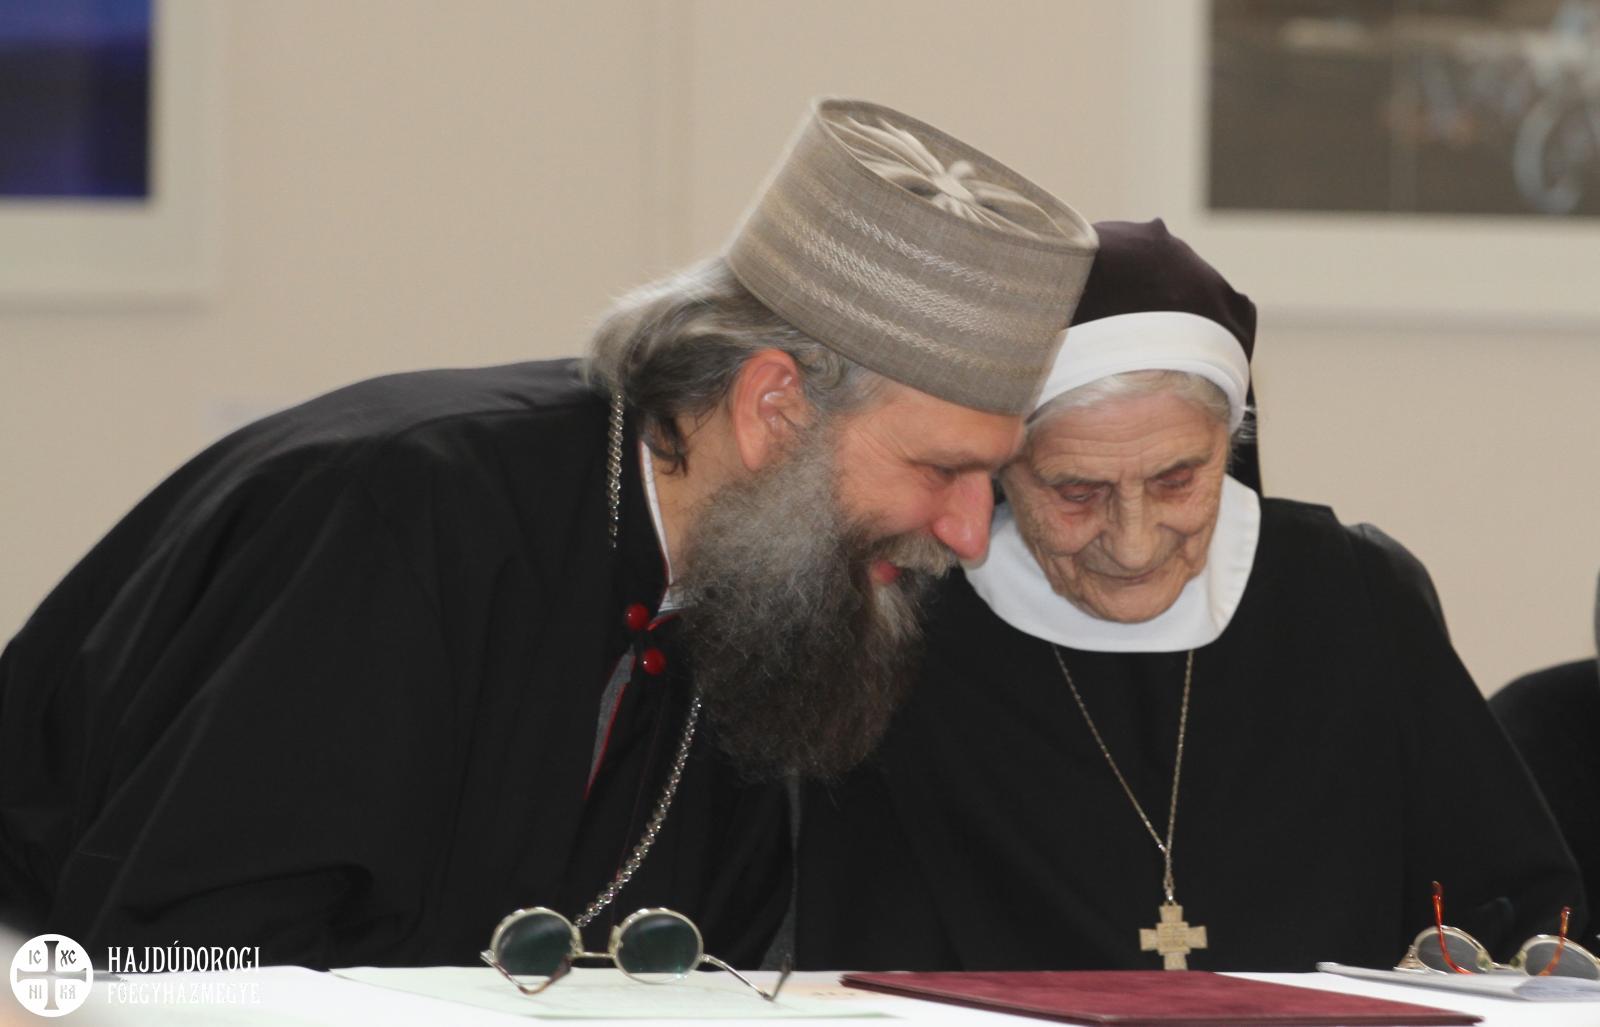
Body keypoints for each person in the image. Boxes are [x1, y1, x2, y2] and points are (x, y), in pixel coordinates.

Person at [0, 98, 1098, 970]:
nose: (968, 533)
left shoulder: (763, 585)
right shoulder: (406, 513)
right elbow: (188, 952)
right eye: (940, 470)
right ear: (773, 406)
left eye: (989, 479)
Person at [795, 219, 1584, 973]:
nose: (1134, 544)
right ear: (1001, 468)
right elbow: (845, 948)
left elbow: (1518, 920)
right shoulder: (907, 635)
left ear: (1228, 443)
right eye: (1077, 491)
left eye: (1177, 480)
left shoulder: (1357, 599)